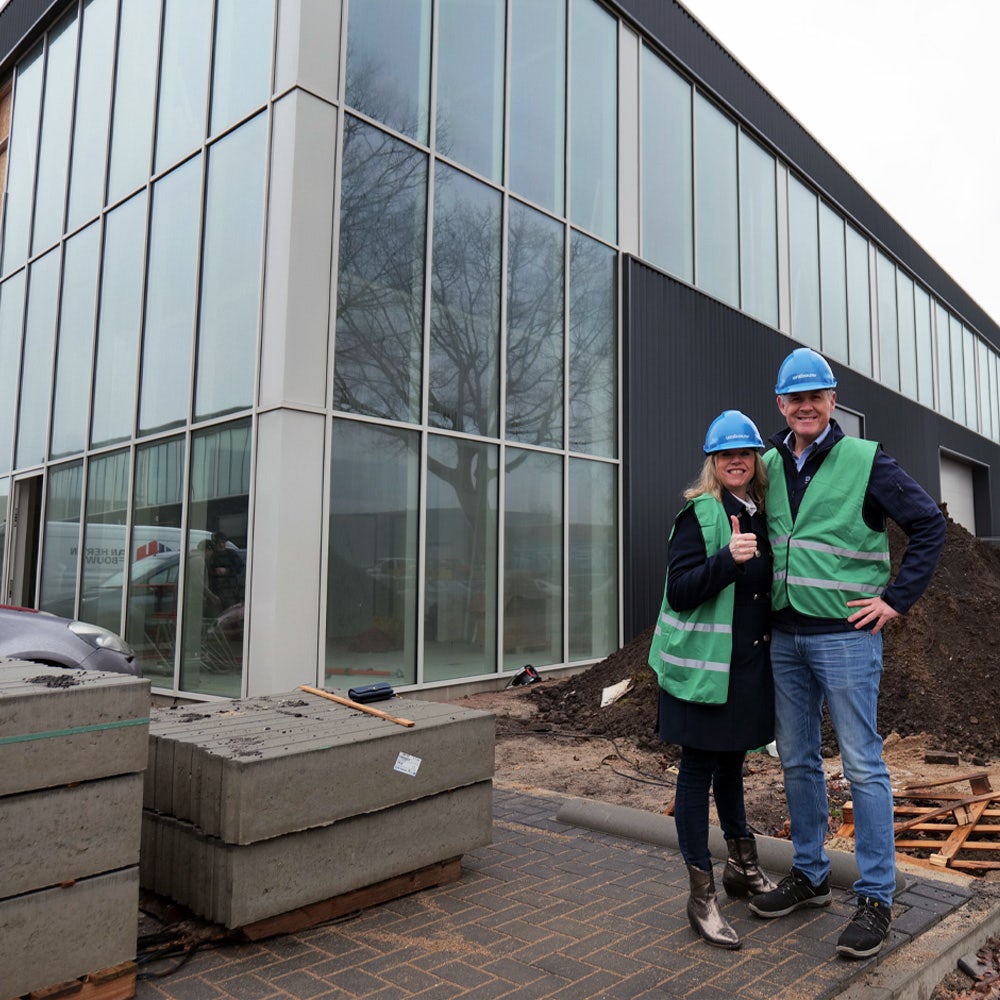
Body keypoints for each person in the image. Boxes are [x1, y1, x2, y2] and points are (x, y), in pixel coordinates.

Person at [749, 347, 946, 960]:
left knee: (862, 765)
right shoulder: (766, 463)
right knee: (797, 760)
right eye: (795, 398)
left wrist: (895, 600)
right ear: (781, 404)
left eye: (816, 397)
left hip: (845, 636)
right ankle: (810, 874)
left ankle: (876, 897)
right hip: (785, 636)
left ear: (832, 401)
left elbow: (929, 524)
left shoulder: (866, 460)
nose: (805, 407)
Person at [648, 410, 776, 950]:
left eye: (745, 454)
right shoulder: (699, 514)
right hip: (700, 672)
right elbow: (680, 591)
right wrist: (726, 560)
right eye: (727, 455)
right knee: (697, 769)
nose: (736, 462)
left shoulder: (759, 514)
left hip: (742, 670)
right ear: (714, 462)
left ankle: (741, 868)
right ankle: (700, 898)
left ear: (756, 461)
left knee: (732, 766)